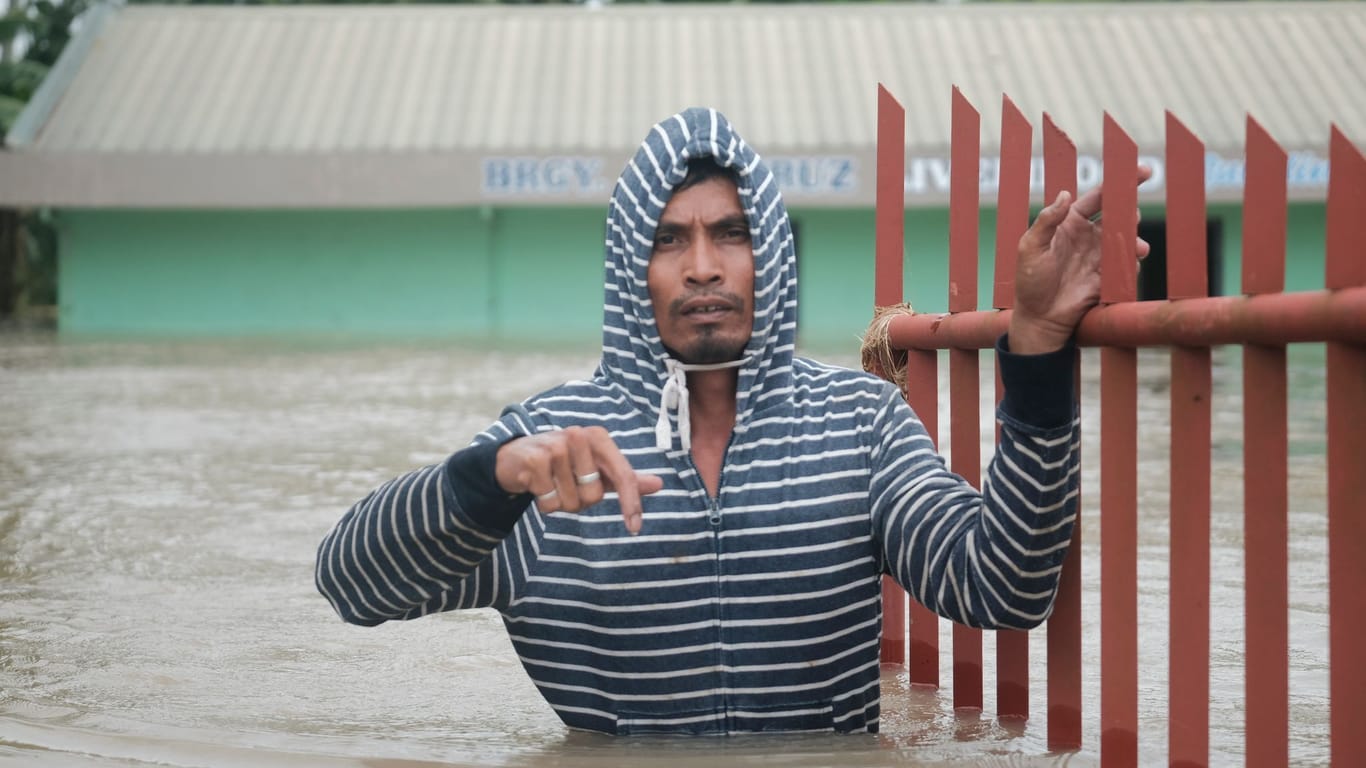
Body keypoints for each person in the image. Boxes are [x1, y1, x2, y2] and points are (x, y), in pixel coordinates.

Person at [316, 107, 1149, 736]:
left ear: (773, 256)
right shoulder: (549, 448)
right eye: (669, 240)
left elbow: (1004, 585)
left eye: (732, 234)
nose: (705, 266)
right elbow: (350, 586)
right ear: (629, 270)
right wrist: (489, 478)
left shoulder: (859, 424)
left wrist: (1036, 348)